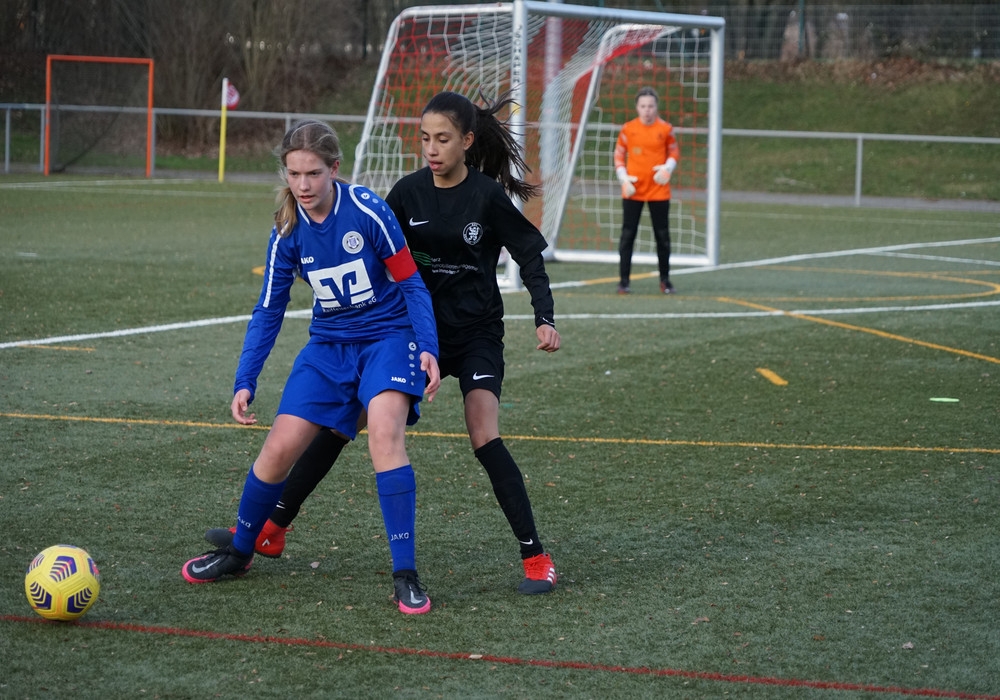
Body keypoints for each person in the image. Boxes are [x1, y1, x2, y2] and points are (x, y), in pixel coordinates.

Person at [208, 91, 562, 595]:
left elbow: (527, 253)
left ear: (466, 141)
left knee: (484, 434)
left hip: (472, 332)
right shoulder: (406, 193)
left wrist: (544, 316)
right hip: (409, 331)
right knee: (340, 424)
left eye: (442, 139)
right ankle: (273, 526)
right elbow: (375, 252)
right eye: (425, 138)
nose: (431, 149)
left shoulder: (485, 196)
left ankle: (535, 555)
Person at [182, 119, 441, 616]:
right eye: (294, 173)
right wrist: (245, 379)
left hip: (388, 339)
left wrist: (427, 346)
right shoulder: (287, 231)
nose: (303, 185)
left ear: (334, 169)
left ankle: (405, 575)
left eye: (314, 173)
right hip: (328, 347)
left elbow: (411, 283)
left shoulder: (368, 210)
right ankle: (240, 552)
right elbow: (268, 310)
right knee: (278, 448)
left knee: (384, 434)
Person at [614, 86, 680, 295]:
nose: (647, 110)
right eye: (643, 106)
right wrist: (624, 179)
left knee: (662, 235)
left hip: (658, 190)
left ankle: (665, 281)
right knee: (628, 234)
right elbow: (618, 155)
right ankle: (624, 282)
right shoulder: (628, 129)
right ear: (637, 107)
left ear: (656, 107)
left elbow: (674, 152)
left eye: (650, 106)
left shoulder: (666, 129)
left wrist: (668, 168)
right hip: (633, 190)